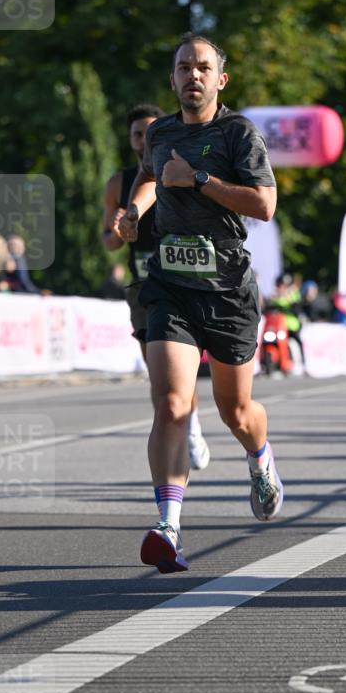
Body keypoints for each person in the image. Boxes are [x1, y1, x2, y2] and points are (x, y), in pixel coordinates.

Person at [114, 32, 283, 572]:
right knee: (171, 403)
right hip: (170, 284)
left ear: (220, 79)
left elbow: (265, 204)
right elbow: (147, 176)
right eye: (184, 66)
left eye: (203, 67)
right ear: (173, 78)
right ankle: (168, 525)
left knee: (235, 411)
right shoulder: (160, 132)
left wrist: (200, 179)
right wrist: (136, 211)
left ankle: (260, 459)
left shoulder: (238, 133)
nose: (193, 75)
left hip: (229, 289)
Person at [103, 102, 211, 472]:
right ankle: (171, 428)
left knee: (181, 364)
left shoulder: (179, 167)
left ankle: (190, 422)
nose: (143, 139)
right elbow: (109, 243)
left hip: (180, 278)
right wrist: (118, 229)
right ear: (131, 139)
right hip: (143, 283)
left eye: (149, 131)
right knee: (158, 368)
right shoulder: (118, 183)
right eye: (137, 134)